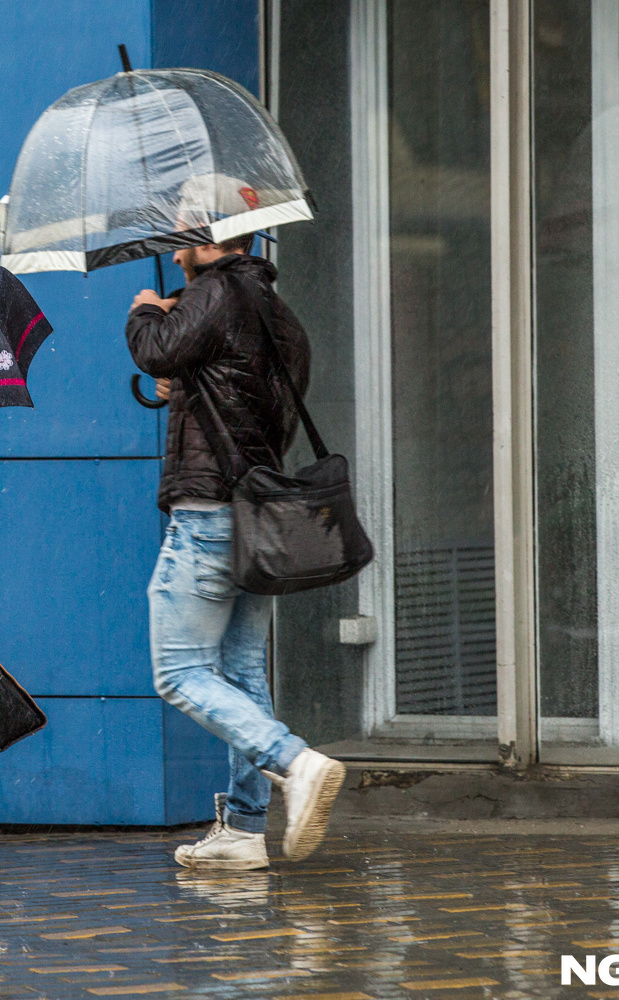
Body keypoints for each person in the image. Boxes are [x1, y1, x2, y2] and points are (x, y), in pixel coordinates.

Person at [126, 234, 346, 870]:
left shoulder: (215, 292)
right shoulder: (275, 310)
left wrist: (145, 310)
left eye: (182, 242)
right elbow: (249, 400)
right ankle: (246, 832)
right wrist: (187, 391)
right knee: (243, 672)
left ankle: (294, 761)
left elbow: (155, 349)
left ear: (212, 240)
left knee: (180, 672)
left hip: (207, 512)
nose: (173, 258)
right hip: (256, 513)